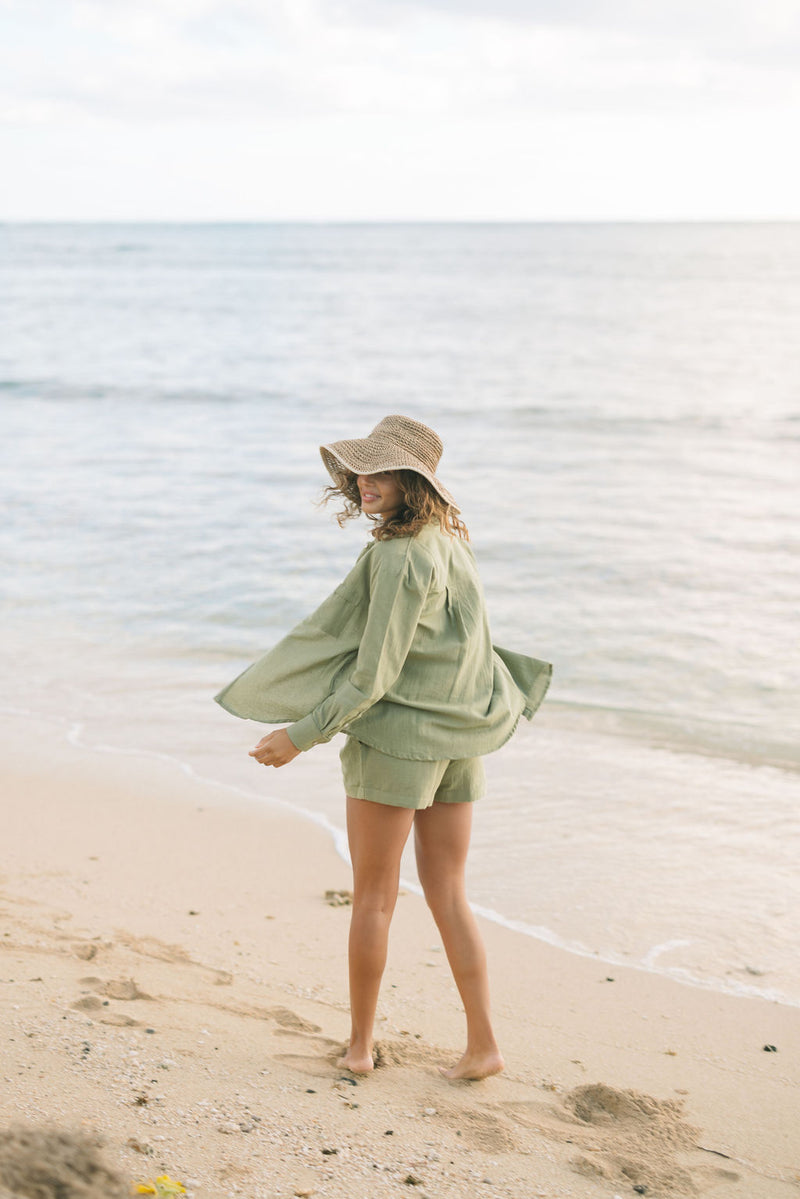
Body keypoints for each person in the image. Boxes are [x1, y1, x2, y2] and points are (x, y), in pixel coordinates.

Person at [215, 415, 551, 1079]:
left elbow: (375, 674)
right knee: (449, 891)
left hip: (398, 742)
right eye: (360, 470)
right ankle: (483, 1046)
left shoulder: (397, 556)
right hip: (458, 737)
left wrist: (298, 735)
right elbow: (469, 645)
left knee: (373, 897)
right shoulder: (451, 537)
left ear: (413, 480)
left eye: (380, 470)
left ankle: (361, 1048)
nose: (364, 482)